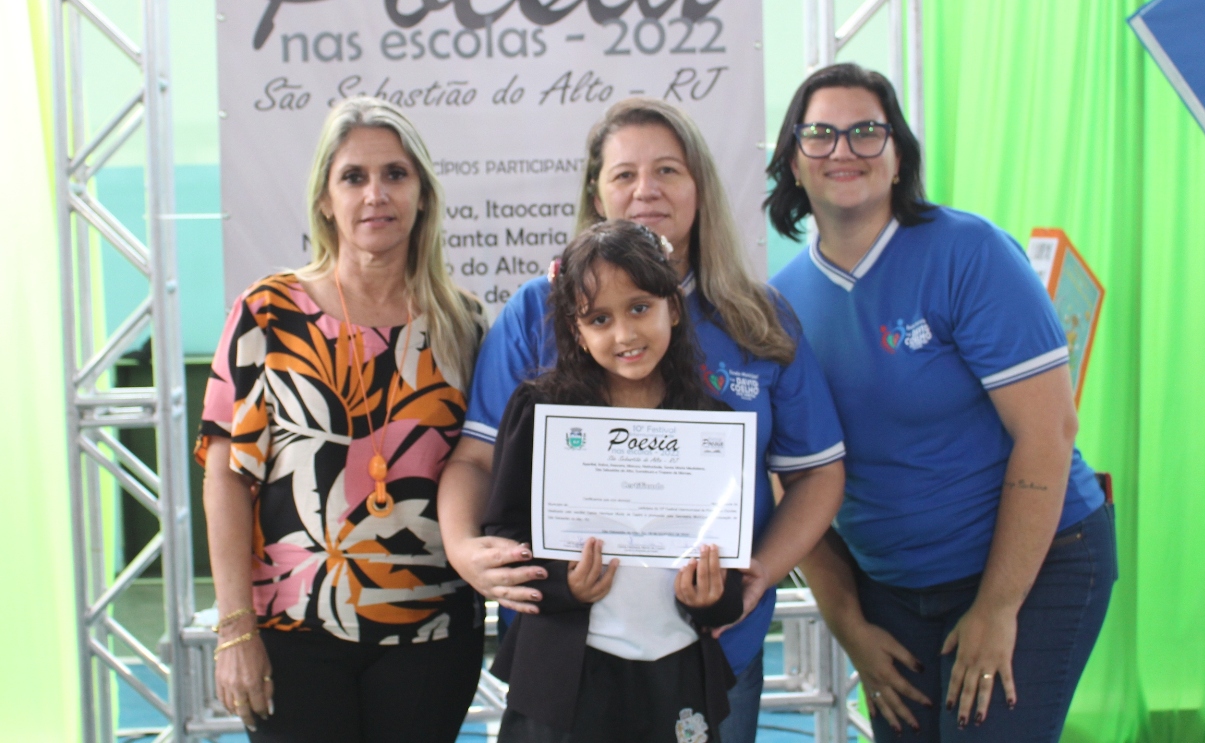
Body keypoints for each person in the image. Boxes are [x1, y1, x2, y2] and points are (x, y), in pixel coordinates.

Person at [438, 97, 847, 743]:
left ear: (700, 185)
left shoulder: (758, 319)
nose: (646, 190)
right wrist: (464, 548)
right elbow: (477, 460)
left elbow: (817, 473)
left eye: (667, 170)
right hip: (565, 660)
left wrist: (755, 575)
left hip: (710, 646)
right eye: (624, 174)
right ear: (595, 193)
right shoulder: (536, 311)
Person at [766, 63, 1116, 742]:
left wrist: (998, 607)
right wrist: (851, 628)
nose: (843, 149)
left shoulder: (970, 253)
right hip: (892, 591)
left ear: (899, 157)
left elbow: (1048, 431)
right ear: (794, 163)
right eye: (820, 134)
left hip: (1036, 564)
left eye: (866, 131)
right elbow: (795, 483)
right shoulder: (778, 306)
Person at [197, 96, 486, 742]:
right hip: (291, 631)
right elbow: (226, 476)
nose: (375, 194)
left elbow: (483, 467)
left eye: (395, 174)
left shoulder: (463, 323)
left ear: (422, 195)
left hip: (433, 635)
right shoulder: (268, 313)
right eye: (353, 177)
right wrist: (234, 627)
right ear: (326, 200)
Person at [482, 220, 746, 741]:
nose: (625, 334)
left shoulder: (711, 426)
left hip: (676, 669)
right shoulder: (540, 412)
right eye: (599, 318)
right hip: (566, 680)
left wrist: (710, 595)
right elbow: (504, 535)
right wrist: (564, 584)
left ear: (674, 307)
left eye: (640, 308)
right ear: (576, 330)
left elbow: (728, 568)